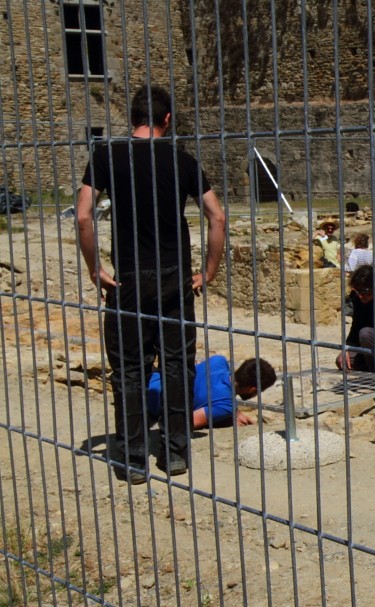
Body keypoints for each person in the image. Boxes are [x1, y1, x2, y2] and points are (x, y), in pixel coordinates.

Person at [77, 84, 226, 484]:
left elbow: (84, 216)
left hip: (127, 276)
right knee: (177, 365)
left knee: (129, 368)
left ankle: (132, 456)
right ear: (167, 120)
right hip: (174, 276)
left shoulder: (107, 156)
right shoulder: (182, 160)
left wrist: (95, 269)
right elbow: (217, 217)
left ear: (133, 120)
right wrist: (208, 272)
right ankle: (176, 452)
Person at [146, 356, 277, 429]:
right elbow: (186, 422)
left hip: (150, 378)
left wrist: (234, 411)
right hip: (148, 402)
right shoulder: (226, 406)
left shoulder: (218, 361)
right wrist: (222, 419)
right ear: (252, 389)